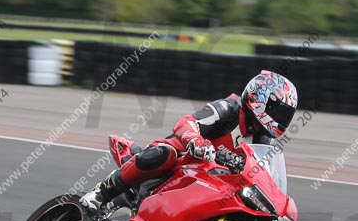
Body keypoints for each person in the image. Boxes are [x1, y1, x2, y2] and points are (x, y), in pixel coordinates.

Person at [80, 70, 298, 211]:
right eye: (277, 110)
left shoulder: (263, 140)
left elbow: (264, 174)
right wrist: (196, 141)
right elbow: (185, 122)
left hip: (212, 181)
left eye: (285, 114)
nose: (281, 118)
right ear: (259, 98)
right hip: (181, 161)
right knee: (164, 154)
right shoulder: (229, 109)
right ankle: (102, 193)